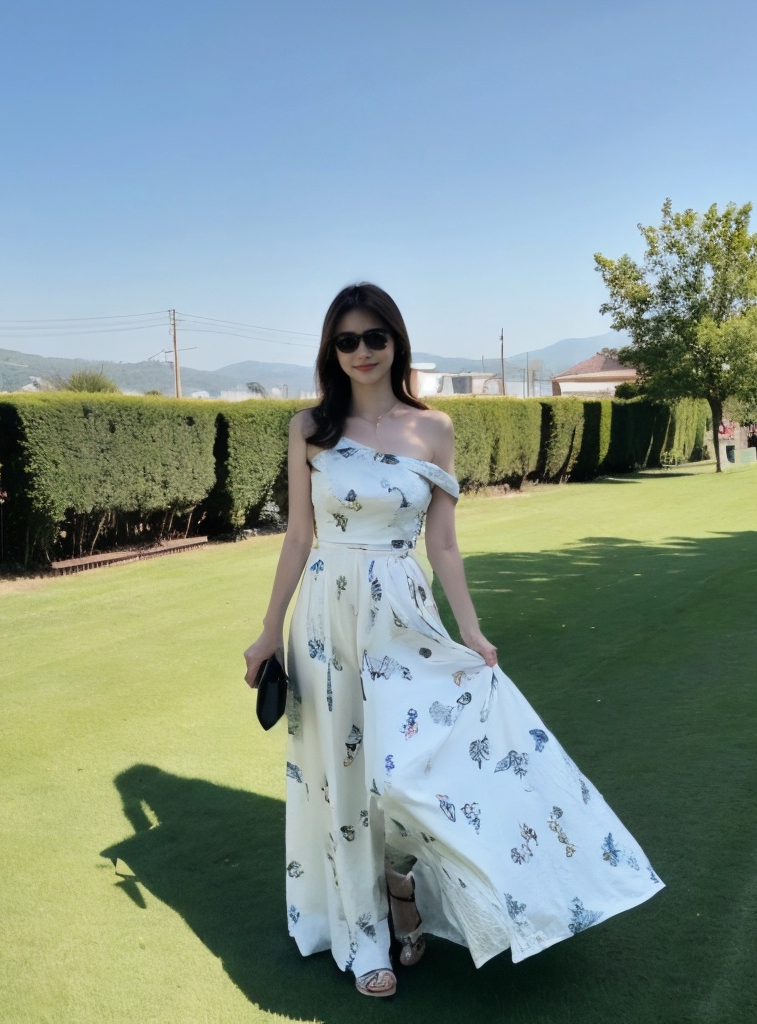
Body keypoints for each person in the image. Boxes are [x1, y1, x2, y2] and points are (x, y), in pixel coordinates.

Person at [243, 283, 663, 999]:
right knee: (343, 776)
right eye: (347, 340)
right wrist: (268, 629)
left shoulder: (433, 428)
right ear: (330, 350)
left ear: (396, 341)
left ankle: (404, 885)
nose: (363, 352)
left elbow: (443, 543)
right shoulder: (308, 427)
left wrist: (469, 628)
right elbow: (297, 536)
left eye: (375, 337)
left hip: (403, 613)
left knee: (415, 767)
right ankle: (365, 934)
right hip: (326, 615)